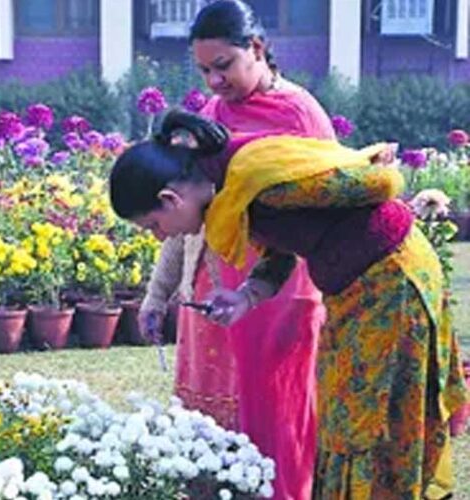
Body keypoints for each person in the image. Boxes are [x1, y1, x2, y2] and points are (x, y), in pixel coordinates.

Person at [112, 110, 469, 499]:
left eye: (154, 225)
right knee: (343, 413)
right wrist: (246, 297)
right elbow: (283, 248)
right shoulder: (229, 190)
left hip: (391, 283)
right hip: (356, 286)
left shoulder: (254, 180)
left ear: (170, 198)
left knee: (369, 415)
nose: (161, 235)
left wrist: (366, 163)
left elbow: (378, 183)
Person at [138, 2, 333, 497]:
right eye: (204, 70)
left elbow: (323, 216)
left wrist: (255, 290)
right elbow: (184, 212)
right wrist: (157, 295)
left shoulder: (300, 114)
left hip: (280, 292)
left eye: (222, 66)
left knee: (273, 422)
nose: (213, 82)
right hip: (212, 293)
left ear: (258, 49)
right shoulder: (212, 115)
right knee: (208, 429)